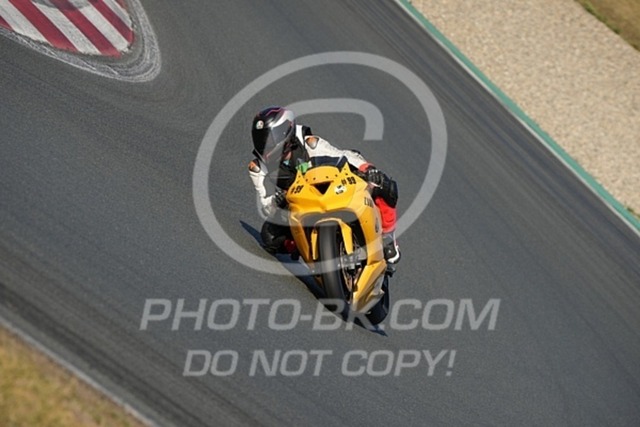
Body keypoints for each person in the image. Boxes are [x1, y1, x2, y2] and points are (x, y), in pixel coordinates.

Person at [247, 106, 400, 264]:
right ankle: (304, 246)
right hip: (296, 205)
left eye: (269, 139)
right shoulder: (257, 168)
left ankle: (388, 237)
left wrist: (366, 168)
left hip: (329, 188)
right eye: (261, 140)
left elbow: (342, 155)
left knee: (383, 184)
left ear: (285, 132)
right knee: (269, 236)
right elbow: (265, 204)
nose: (265, 145)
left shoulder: (309, 142)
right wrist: (276, 202)